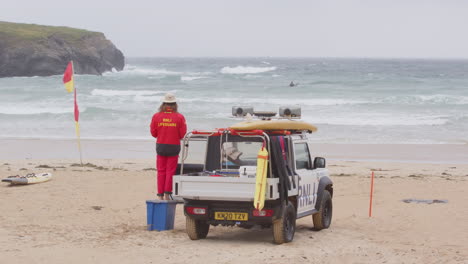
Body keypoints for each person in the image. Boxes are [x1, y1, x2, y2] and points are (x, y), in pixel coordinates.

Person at [150, 93, 187, 200]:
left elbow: (153, 133)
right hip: (174, 146)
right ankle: (167, 194)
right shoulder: (180, 117)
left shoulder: (156, 116)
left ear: (163, 104)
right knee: (170, 171)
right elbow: (182, 134)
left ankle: (160, 195)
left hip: (161, 145)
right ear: (175, 104)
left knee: (161, 171)